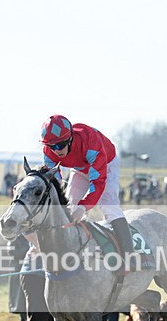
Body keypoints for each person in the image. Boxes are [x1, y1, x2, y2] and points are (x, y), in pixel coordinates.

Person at [41, 114, 148, 273]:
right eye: (52, 146)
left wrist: (83, 207)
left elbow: (97, 183)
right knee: (69, 208)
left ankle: (130, 257)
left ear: (70, 138)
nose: (57, 150)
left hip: (106, 164)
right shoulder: (48, 152)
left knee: (109, 207)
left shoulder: (90, 142)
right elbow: (55, 184)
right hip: (79, 169)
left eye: (61, 144)